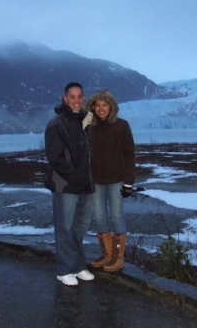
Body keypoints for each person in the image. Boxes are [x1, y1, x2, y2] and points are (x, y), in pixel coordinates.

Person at [44, 82, 95, 286]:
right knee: (64, 227)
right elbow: (55, 158)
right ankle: (64, 269)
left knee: (80, 228)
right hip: (65, 185)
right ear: (65, 98)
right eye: (72, 97)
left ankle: (78, 265)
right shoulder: (57, 124)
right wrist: (76, 176)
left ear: (84, 98)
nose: (76, 100)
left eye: (79, 96)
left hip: (86, 185)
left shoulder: (88, 121)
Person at [85, 89, 135, 272]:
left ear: (111, 107)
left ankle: (117, 258)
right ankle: (106, 255)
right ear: (92, 107)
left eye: (104, 105)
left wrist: (129, 182)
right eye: (97, 105)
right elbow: (76, 139)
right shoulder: (88, 124)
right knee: (99, 217)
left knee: (116, 217)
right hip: (95, 180)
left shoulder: (122, 125)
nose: (101, 108)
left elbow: (129, 154)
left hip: (116, 180)